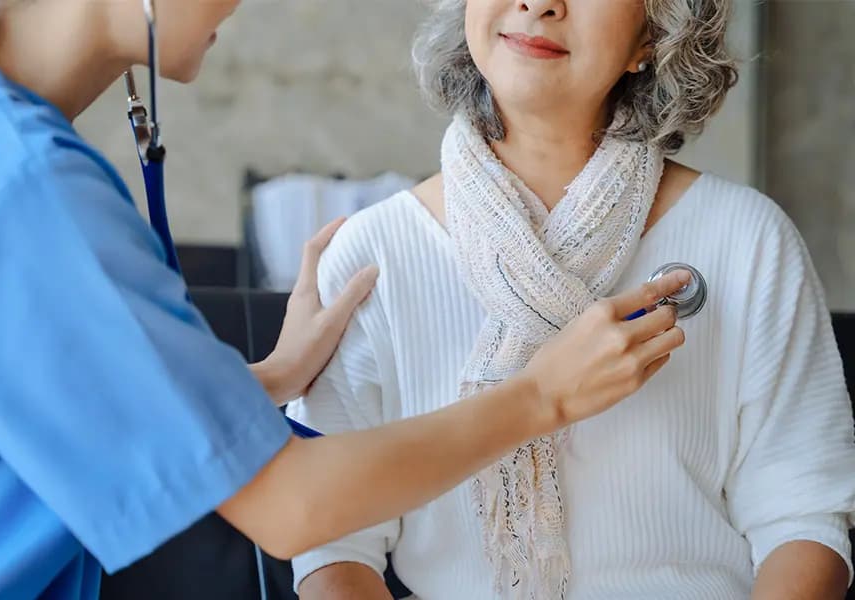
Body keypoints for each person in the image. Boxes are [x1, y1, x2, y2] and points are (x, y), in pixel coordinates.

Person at [0, 1, 694, 598]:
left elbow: (19, 407)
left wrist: (266, 380)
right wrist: (542, 396)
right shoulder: (19, 185)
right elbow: (291, 507)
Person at [287, 0, 855, 598]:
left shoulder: (748, 238)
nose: (539, 3)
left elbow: (803, 516)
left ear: (655, 32)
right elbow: (331, 543)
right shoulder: (370, 254)